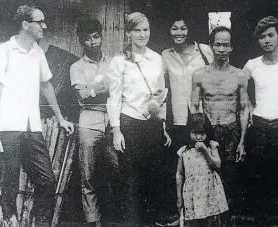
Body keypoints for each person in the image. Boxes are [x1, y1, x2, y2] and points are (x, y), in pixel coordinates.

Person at [0, 5, 74, 227]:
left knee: (47, 180)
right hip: (8, 127)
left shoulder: (37, 52)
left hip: (32, 128)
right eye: (40, 22)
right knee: (10, 183)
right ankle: (11, 222)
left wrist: (61, 118)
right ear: (25, 25)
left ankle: (40, 223)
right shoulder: (2, 51)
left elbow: (46, 87)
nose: (44, 26)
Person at [106, 12, 171, 226]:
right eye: (137, 30)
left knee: (151, 175)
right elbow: (114, 97)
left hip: (151, 124)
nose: (142, 34)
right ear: (128, 33)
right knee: (130, 179)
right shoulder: (119, 61)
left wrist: (162, 125)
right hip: (129, 122)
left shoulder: (156, 58)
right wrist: (116, 130)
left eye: (145, 29)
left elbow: (161, 95)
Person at [242, 16, 278, 225]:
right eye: (262, 36)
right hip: (259, 127)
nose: (266, 40)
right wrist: (250, 108)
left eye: (270, 35)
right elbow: (240, 93)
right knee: (259, 181)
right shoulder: (251, 65)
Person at [190, 26, 249, 225]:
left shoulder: (240, 75)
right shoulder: (199, 74)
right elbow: (194, 108)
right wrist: (199, 136)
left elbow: (243, 109)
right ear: (211, 46)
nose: (222, 49)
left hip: (231, 131)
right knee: (206, 177)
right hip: (209, 132)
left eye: (226, 45)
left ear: (231, 48)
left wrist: (241, 141)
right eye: (218, 44)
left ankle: (226, 221)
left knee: (229, 180)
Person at [161, 16, 214, 225]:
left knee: (203, 166)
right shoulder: (165, 55)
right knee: (181, 168)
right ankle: (182, 213)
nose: (179, 33)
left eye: (183, 28)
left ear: (189, 29)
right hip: (178, 121)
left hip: (201, 121)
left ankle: (203, 213)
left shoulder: (203, 51)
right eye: (174, 28)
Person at [70, 18, 118, 227]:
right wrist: (104, 88)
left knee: (117, 171)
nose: (93, 42)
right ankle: (94, 222)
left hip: (113, 122)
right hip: (89, 122)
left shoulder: (114, 63)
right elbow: (82, 96)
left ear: (101, 37)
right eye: (88, 38)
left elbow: (118, 91)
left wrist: (92, 89)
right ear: (81, 41)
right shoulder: (76, 67)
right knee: (88, 177)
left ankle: (116, 219)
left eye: (96, 36)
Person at [176, 113, 229, 227]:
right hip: (193, 193)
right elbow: (179, 174)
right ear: (189, 132)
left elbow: (217, 165)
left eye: (202, 133)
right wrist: (179, 196)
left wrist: (205, 150)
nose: (199, 137)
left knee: (212, 221)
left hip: (210, 191)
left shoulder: (211, 146)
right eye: (195, 133)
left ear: (208, 133)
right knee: (195, 221)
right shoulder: (184, 151)